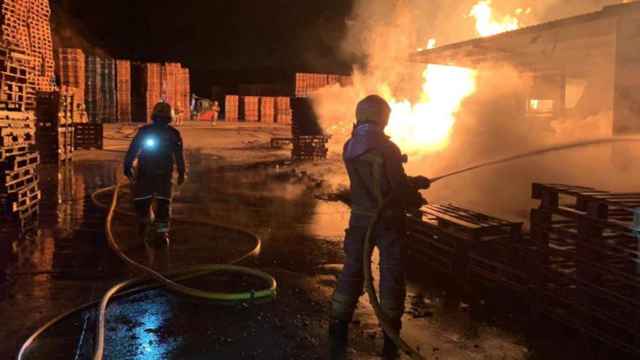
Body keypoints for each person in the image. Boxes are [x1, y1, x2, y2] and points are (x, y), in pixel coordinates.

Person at [329, 95, 431, 359]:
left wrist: (411, 181)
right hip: (388, 221)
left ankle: (338, 325)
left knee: (352, 269)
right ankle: (390, 332)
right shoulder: (389, 149)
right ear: (383, 118)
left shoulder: (350, 146)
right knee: (391, 273)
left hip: (360, 219)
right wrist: (416, 191)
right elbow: (396, 189)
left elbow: (379, 180)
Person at [124, 102, 186, 250]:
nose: (160, 121)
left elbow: (133, 151)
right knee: (160, 205)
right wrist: (182, 173)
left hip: (151, 174)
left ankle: (156, 232)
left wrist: (127, 166)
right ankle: (157, 232)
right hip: (159, 175)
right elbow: (179, 156)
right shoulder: (172, 134)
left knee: (147, 203)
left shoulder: (148, 132)